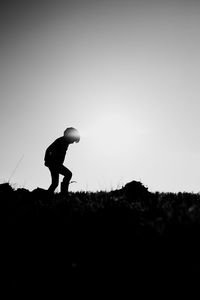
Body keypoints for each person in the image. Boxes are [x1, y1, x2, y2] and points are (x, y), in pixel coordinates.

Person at [44, 127, 80, 195]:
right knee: (68, 174)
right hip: (54, 163)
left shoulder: (64, 142)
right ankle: (64, 193)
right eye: (73, 140)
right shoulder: (61, 141)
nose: (72, 142)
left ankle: (47, 196)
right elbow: (48, 149)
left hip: (54, 163)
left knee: (55, 183)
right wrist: (47, 160)